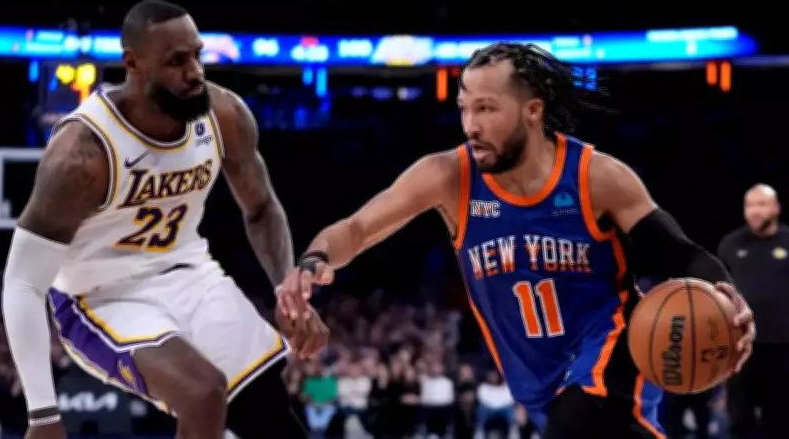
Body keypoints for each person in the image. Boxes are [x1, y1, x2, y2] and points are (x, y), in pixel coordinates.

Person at [278, 43, 756, 438]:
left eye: (486, 108)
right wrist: (314, 259)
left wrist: (731, 302)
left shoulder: (596, 177)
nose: (471, 125)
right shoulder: (449, 176)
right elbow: (357, 228)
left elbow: (682, 252)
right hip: (536, 382)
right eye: (464, 108)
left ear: (533, 111)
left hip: (613, 344)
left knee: (578, 420)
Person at [2, 0, 328, 439]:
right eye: (176, 62)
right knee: (203, 392)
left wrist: (286, 293)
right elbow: (22, 283)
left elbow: (262, 207)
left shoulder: (224, 114)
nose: (194, 71)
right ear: (133, 64)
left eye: (197, 55)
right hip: (98, 295)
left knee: (267, 407)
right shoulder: (84, 154)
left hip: (189, 272)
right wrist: (42, 413)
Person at [718, 183, 789, 439]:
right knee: (738, 419)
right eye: (750, 205)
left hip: (783, 349)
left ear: (776, 208)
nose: (755, 211)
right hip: (740, 347)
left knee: (780, 421)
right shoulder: (730, 244)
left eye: (761, 204)